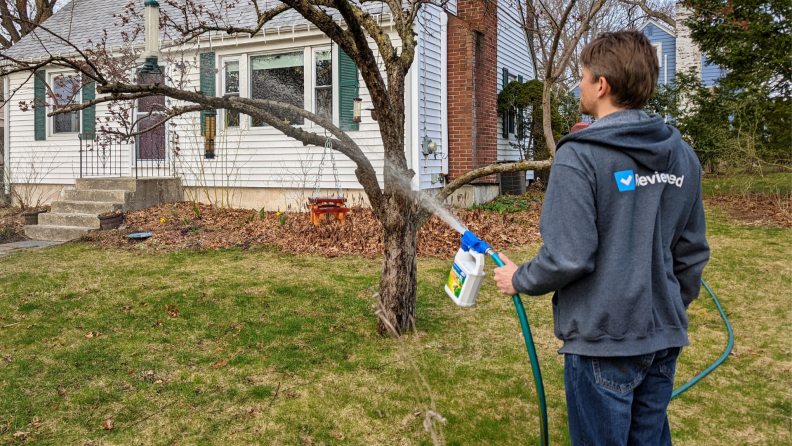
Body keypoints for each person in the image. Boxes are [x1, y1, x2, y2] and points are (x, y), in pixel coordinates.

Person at [493, 30, 709, 446]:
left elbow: (568, 256)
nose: (579, 84)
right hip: (662, 338)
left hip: (602, 343)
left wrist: (518, 278)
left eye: (582, 76)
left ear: (602, 85)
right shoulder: (682, 155)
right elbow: (693, 253)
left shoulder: (580, 154)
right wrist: (665, 305)